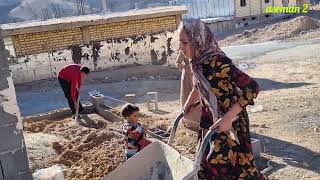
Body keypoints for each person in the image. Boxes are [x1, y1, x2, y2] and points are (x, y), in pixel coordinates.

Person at [179, 19, 266, 179]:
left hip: (230, 120)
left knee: (226, 165)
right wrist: (188, 104)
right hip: (210, 119)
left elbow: (252, 87)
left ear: (198, 40)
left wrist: (228, 118)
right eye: (180, 42)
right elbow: (199, 86)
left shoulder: (219, 62)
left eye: (185, 42)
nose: (181, 48)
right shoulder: (196, 62)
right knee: (206, 164)